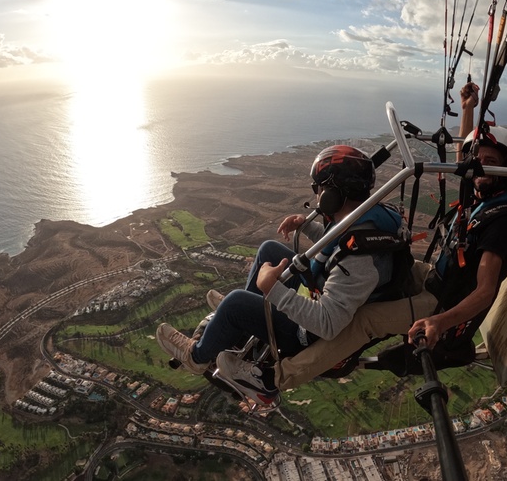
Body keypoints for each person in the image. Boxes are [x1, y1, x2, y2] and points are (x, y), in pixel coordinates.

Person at [264, 82, 507, 388]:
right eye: (480, 161)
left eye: (492, 163)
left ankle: (278, 378)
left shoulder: (503, 223)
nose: (480, 168)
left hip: (442, 302)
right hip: (436, 277)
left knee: (366, 320)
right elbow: (465, 163)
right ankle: (271, 319)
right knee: (386, 256)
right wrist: (468, 108)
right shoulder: (485, 193)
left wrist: (439, 322)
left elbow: (486, 291)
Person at [155, 145, 410, 405]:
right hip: (327, 294)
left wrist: (271, 289)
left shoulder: (361, 259)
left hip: (306, 335)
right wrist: (308, 225)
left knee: (234, 304)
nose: (318, 196)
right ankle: (242, 319)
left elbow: (328, 324)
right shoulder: (366, 222)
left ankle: (196, 357)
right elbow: (338, 248)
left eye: (319, 189)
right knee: (269, 251)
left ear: (333, 194)